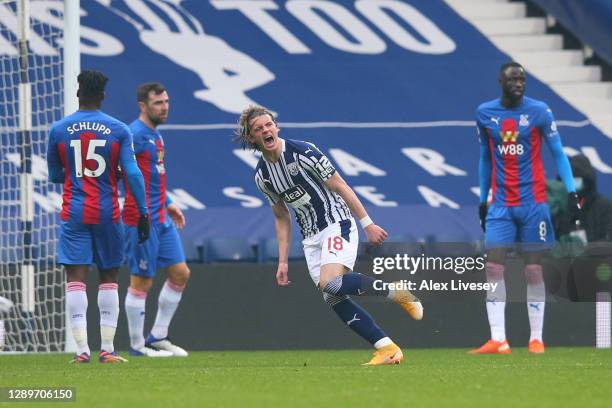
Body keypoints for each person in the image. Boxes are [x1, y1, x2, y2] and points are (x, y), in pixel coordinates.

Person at [236, 105, 423, 365]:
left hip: (337, 222)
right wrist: (282, 261)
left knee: (330, 283)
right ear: (251, 138)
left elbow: (339, 185)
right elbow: (281, 217)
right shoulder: (262, 177)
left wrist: (367, 222)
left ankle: (396, 291)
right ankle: (387, 348)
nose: (266, 130)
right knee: (332, 296)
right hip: (311, 237)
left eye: (269, 124)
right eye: (259, 129)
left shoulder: (304, 151)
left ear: (277, 127)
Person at [473, 62, 580, 354]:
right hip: (501, 206)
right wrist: (484, 200)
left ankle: (536, 339)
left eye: (522, 79)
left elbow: (558, 153)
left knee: (533, 269)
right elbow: (485, 158)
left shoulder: (540, 111)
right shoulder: (485, 113)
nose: (518, 83)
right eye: (513, 79)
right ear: (500, 81)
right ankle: (499, 339)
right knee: (493, 267)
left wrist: (571, 192)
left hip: (534, 203)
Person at [46, 70, 150, 363]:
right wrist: (142, 212)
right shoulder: (118, 130)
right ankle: (107, 349)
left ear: (78, 92)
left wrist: (76, 173)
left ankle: (81, 350)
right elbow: (132, 172)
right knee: (109, 275)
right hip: (107, 211)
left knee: (75, 277)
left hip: (74, 211)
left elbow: (55, 175)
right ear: (103, 96)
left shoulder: (59, 129)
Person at [123, 83, 189, 357]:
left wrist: (169, 203)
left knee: (180, 273)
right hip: (141, 219)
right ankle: (137, 346)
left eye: (166, 101)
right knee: (142, 281)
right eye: (158, 103)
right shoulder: (133, 135)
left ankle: (158, 335)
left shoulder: (155, 136)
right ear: (142, 106)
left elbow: (152, 178)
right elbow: (122, 176)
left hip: (160, 216)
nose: (165, 107)